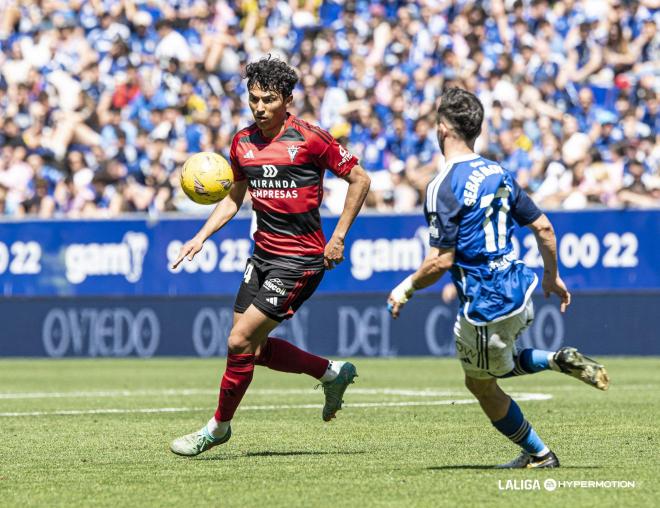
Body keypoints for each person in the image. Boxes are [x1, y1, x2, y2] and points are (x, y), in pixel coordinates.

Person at [387, 88, 609, 469]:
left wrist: (405, 287)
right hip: (520, 287)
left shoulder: (443, 185)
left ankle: (540, 453)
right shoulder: (499, 172)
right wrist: (552, 279)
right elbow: (544, 228)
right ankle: (555, 361)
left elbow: (440, 262)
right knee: (494, 366)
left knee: (482, 384)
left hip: (486, 301)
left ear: (442, 129)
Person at [170, 57, 371, 457]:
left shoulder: (312, 139)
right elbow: (233, 199)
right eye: (253, 99)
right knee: (253, 351)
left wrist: (339, 237)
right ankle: (331, 373)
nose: (259, 108)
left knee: (239, 340)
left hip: (300, 261)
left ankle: (218, 428)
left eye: (268, 100)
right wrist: (201, 236)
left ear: (288, 100)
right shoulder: (242, 143)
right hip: (262, 257)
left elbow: (360, 179)